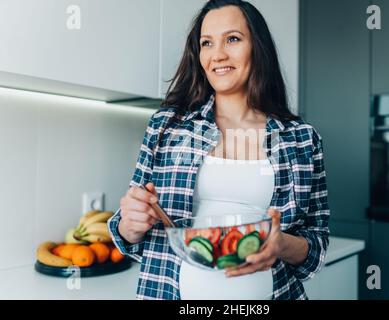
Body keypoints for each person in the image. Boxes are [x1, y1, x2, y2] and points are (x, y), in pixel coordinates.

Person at [108, 0, 330, 300]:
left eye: (233, 39)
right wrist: (129, 225)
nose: (218, 54)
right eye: (207, 43)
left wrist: (281, 245)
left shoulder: (302, 139)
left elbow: (316, 242)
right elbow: (128, 232)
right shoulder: (166, 127)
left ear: (258, 47)